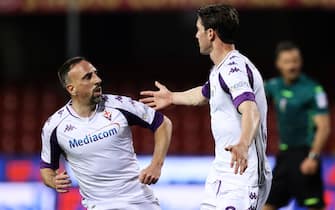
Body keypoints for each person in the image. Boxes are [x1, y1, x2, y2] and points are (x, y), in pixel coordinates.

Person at [140, 4, 272, 210]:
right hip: (221, 172)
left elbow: (250, 110)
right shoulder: (221, 69)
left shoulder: (233, 69)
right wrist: (172, 97)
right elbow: (204, 94)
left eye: (198, 29)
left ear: (210, 33)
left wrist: (243, 144)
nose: (196, 35)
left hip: (241, 175)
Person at [40, 57, 172, 210]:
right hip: (99, 206)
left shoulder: (119, 105)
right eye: (88, 77)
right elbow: (47, 169)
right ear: (72, 89)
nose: (98, 80)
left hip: (139, 202)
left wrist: (156, 165)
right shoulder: (54, 127)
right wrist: (53, 181)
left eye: (95, 74)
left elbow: (163, 123)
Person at [263, 41, 330, 210]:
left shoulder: (313, 89)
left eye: (295, 61)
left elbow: (324, 127)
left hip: (305, 156)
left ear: (300, 62)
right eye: (287, 61)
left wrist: (313, 157)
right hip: (284, 156)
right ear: (278, 64)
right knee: (267, 205)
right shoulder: (274, 86)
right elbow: (249, 94)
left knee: (315, 206)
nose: (292, 66)